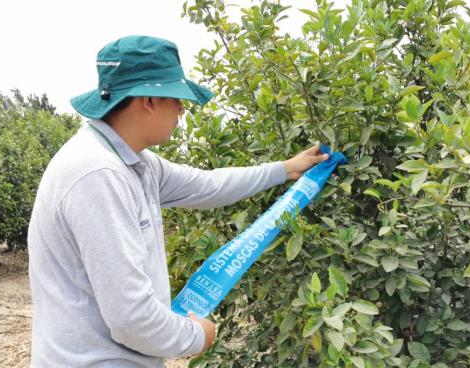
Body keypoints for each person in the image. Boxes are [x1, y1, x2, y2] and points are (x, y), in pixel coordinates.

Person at [27, 35, 328, 367]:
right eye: (177, 99)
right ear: (148, 100)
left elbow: (207, 186)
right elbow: (131, 317)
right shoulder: (98, 175)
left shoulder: (135, 163)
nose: (183, 110)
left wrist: (284, 169)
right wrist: (197, 336)